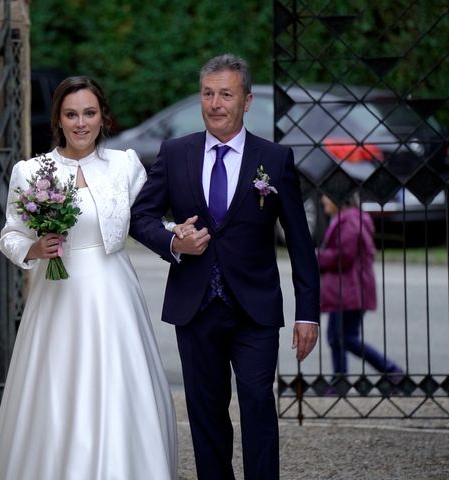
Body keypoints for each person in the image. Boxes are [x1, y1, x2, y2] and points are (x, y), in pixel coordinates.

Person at [130, 54, 320, 480]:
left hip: (254, 309)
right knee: (205, 410)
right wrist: (174, 242)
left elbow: (302, 246)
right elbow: (140, 217)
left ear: (247, 100)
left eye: (226, 94)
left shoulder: (274, 159)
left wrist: (308, 312)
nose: (215, 103)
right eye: (208, 93)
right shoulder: (175, 153)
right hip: (194, 308)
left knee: (256, 402)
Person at [0, 76, 177, 479]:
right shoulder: (33, 170)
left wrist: (180, 235)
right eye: (71, 114)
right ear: (58, 118)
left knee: (119, 387)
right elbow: (11, 234)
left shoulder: (124, 165)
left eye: (89, 113)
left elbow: (149, 221)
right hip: (58, 296)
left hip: (114, 294)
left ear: (103, 116)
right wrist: (35, 250)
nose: (81, 123)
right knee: (58, 389)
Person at [319, 194, 403, 385]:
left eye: (326, 195)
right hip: (344, 292)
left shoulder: (350, 220)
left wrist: (318, 257)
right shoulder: (347, 218)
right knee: (336, 337)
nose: (323, 199)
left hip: (349, 291)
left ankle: (391, 371)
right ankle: (339, 380)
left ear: (340, 198)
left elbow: (344, 255)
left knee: (346, 338)